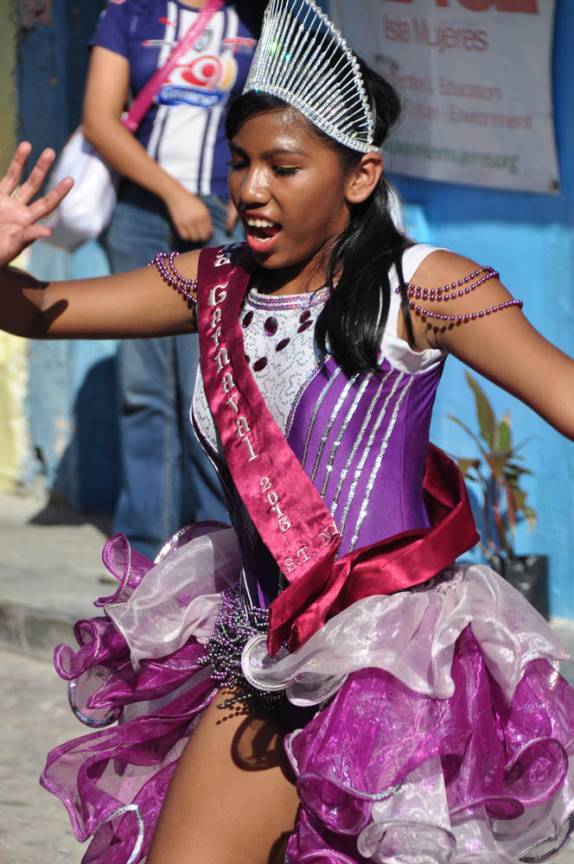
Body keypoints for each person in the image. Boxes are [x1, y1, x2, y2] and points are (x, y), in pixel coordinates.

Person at [2, 1, 574, 860]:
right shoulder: (213, 279)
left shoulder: (424, 286)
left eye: (283, 165)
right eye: (239, 164)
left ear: (359, 174)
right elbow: (36, 313)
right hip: (265, 649)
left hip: (394, 665)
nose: (251, 190)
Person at [82, 0, 261, 558]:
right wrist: (173, 195)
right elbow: (98, 120)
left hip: (218, 215)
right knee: (144, 390)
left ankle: (218, 548)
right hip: (140, 214)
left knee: (210, 389)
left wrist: (237, 194)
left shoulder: (251, 20)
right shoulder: (129, 14)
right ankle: (145, 550)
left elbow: (266, 117)